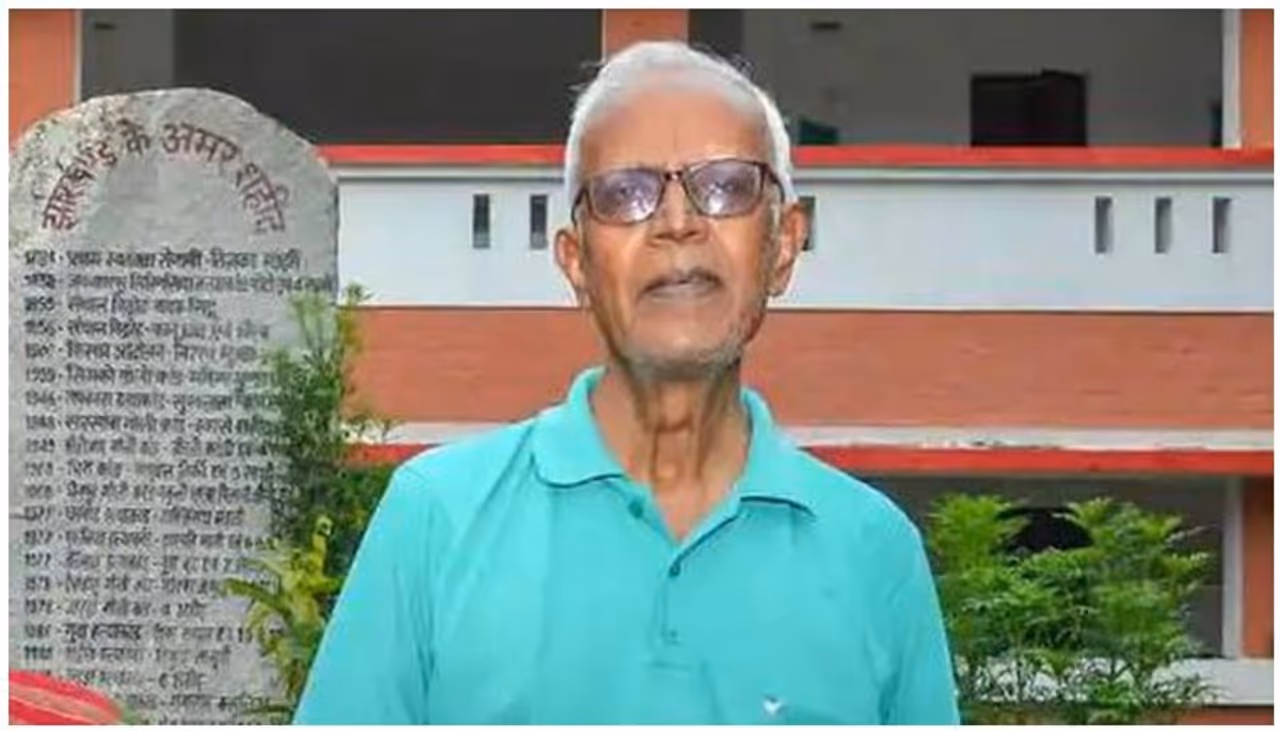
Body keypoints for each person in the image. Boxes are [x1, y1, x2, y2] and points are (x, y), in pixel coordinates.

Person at [294, 40, 959, 725]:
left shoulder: (874, 553)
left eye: (727, 186)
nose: (678, 223)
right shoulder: (437, 519)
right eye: (626, 194)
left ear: (783, 245)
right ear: (576, 262)